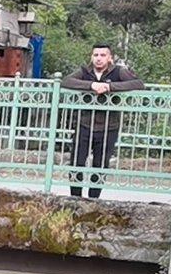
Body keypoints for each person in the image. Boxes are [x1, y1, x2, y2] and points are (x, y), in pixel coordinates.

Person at [61, 44, 145, 198]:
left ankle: (93, 200)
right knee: (76, 163)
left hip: (109, 127)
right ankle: (75, 198)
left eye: (103, 55)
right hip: (84, 124)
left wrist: (109, 86)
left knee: (100, 165)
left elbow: (138, 84)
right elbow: (66, 81)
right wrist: (91, 85)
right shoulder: (85, 72)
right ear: (91, 57)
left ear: (110, 58)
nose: (99, 59)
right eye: (96, 55)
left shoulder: (118, 71)